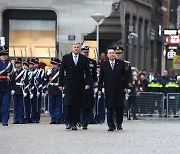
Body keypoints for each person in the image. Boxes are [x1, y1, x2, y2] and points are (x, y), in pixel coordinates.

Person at [59, 42, 91, 130]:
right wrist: (60, 84)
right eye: (75, 47)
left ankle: (74, 122)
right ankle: (68, 121)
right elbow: (61, 71)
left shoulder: (84, 59)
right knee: (68, 103)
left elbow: (88, 72)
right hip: (69, 83)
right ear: (72, 48)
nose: (76, 48)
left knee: (77, 104)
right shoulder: (66, 58)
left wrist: (88, 83)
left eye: (77, 47)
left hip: (79, 84)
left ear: (79, 48)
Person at [98, 48, 128, 131]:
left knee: (119, 107)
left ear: (115, 54)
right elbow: (101, 78)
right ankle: (110, 125)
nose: (112, 54)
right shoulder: (104, 64)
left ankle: (119, 123)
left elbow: (124, 76)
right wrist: (100, 89)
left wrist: (126, 87)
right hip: (109, 89)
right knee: (109, 107)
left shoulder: (121, 63)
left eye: (113, 53)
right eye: (110, 53)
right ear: (107, 55)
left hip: (119, 89)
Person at [80, 44, 97, 129]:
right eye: (84, 52)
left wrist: (94, 85)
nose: (86, 54)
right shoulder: (77, 61)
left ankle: (85, 122)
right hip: (79, 85)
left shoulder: (92, 62)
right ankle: (78, 120)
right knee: (78, 104)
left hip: (89, 86)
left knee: (87, 105)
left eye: (87, 52)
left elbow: (94, 76)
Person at [44, 58, 63, 124]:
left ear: (58, 65)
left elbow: (63, 80)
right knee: (51, 105)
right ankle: (53, 118)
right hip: (51, 89)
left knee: (58, 105)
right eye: (52, 64)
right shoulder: (49, 71)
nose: (53, 65)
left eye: (55, 64)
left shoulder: (60, 71)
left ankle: (58, 118)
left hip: (58, 89)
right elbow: (45, 81)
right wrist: (47, 74)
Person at [0, 46, 14, 126]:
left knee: (5, 105)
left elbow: (12, 77)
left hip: (7, 86)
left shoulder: (10, 65)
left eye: (5, 55)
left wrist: (13, 88)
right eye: (2, 55)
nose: (4, 56)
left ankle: (5, 120)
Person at [11, 57, 26, 124]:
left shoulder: (24, 72)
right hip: (15, 89)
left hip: (21, 89)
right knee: (15, 105)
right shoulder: (13, 71)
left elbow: (26, 81)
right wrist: (12, 88)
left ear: (21, 64)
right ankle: (15, 118)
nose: (17, 65)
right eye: (16, 63)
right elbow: (12, 81)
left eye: (19, 63)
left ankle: (20, 119)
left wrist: (25, 90)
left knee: (21, 105)